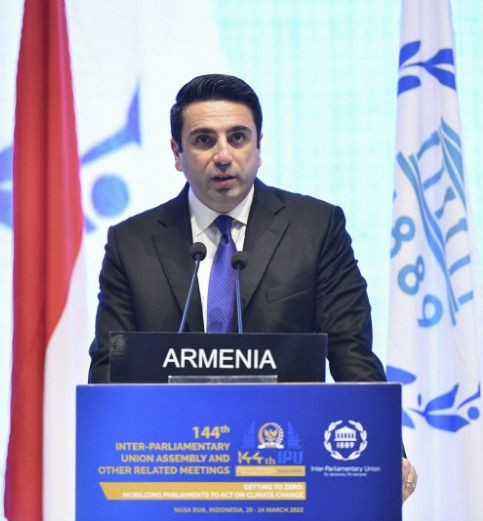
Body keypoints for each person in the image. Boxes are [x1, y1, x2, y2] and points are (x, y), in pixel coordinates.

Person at [88, 73, 416, 501]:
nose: (223, 156)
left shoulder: (316, 229)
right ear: (177, 153)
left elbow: (351, 351)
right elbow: (109, 368)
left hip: (286, 467)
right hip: (172, 475)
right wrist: (107, 465)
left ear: (259, 147)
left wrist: (386, 452)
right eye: (204, 140)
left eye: (238, 137)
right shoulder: (131, 244)